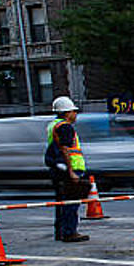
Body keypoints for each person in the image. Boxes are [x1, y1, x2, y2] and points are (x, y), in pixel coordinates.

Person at [44, 96, 89, 242]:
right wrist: (71, 171)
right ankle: (69, 232)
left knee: (61, 202)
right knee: (71, 201)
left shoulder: (53, 125)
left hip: (58, 168)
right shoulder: (65, 127)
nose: (75, 114)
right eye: (73, 111)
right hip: (68, 169)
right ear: (66, 112)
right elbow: (65, 149)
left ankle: (60, 232)